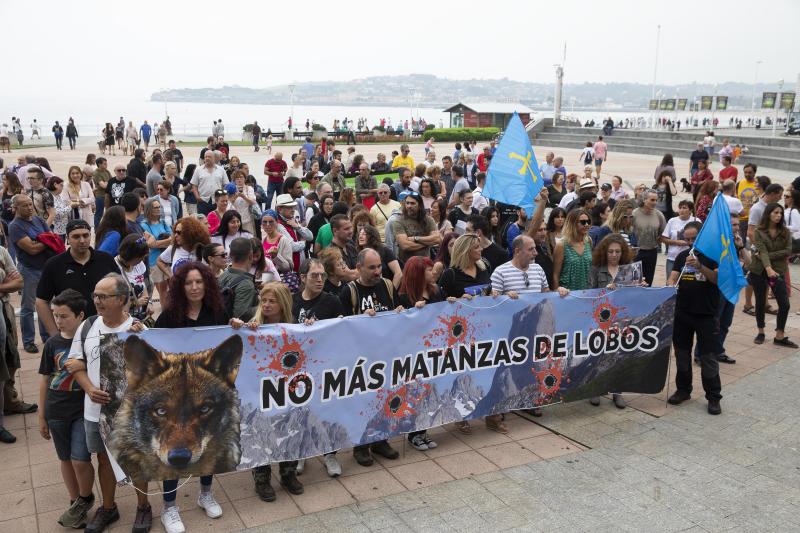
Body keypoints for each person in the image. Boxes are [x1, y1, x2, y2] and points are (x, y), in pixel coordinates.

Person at [65, 274, 151, 533]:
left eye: (104, 296)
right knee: (103, 459)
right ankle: (108, 508)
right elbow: (73, 363)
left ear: (122, 299)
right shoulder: (88, 325)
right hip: (95, 410)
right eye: (95, 295)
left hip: (131, 411)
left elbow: (153, 370)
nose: (97, 301)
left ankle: (143, 507)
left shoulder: (137, 329)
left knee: (136, 458)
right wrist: (89, 388)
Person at [148, 263, 229, 531]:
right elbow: (155, 345)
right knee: (175, 448)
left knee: (208, 446)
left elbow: (227, 343)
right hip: (175, 396)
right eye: (188, 283)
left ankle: (205, 493)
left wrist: (237, 326)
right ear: (180, 287)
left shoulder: (217, 312)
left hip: (206, 397)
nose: (194, 287)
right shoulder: (170, 315)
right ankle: (169, 507)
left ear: (207, 284)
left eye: (199, 282)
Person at [234, 282, 304, 501]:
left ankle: (288, 474)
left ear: (282, 304)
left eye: (271, 301)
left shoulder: (295, 325)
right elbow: (233, 334)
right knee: (260, 432)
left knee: (288, 428)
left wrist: (311, 326)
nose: (266, 305)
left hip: (286, 388)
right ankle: (262, 479)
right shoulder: (251, 320)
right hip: (258, 389)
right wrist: (239, 325)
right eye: (263, 300)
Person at [37, 289, 95, 528]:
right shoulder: (52, 343)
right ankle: (76, 503)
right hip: (56, 411)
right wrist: (42, 415)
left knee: (80, 459)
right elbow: (44, 379)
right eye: (55, 315)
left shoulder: (90, 341)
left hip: (82, 410)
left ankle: (85, 498)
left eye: (63, 316)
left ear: (80, 315)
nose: (58, 321)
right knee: (65, 459)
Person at [338, 249, 403, 463]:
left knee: (384, 397)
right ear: (359, 268)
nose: (378, 271)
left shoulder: (387, 285)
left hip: (384, 354)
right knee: (362, 402)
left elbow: (394, 313)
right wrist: (360, 319)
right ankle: (360, 446)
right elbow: (341, 326)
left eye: (379, 266)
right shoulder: (349, 292)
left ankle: (380, 441)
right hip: (360, 358)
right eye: (372, 267)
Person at [666, 222, 723, 415]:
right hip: (682, 313)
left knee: (708, 357)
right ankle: (683, 390)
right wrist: (671, 284)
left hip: (706, 314)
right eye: (687, 239)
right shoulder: (682, 256)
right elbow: (672, 277)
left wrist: (700, 266)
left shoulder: (714, 256)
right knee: (682, 353)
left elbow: (716, 280)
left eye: (694, 238)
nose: (690, 242)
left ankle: (713, 396)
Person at [395, 256, 452, 445]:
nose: (433, 272)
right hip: (415, 354)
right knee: (416, 393)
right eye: (428, 270)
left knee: (430, 392)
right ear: (418, 274)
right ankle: (414, 434)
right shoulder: (404, 297)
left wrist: (452, 302)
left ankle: (423, 431)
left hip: (435, 350)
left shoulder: (436, 291)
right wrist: (412, 310)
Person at [36, 218, 116, 334]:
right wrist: (55, 335)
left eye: (85, 235)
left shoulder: (105, 260)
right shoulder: (54, 265)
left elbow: (122, 292)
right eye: (76, 237)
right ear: (67, 238)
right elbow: (41, 302)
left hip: (106, 330)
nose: (82, 240)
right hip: (71, 333)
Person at [9, 194, 56, 353]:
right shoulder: (15, 226)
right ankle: (28, 340)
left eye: (30, 204)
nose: (29, 208)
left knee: (45, 303)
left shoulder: (38, 220)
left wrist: (42, 240)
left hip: (45, 268)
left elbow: (52, 239)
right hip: (29, 270)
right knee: (28, 307)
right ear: (16, 208)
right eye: (25, 205)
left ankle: (46, 336)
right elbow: (32, 249)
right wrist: (46, 241)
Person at [750, 203, 796, 348]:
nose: (778, 216)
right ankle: (761, 331)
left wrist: (765, 256)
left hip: (778, 271)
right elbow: (761, 250)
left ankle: (779, 335)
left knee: (784, 303)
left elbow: (788, 251)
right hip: (760, 271)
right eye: (775, 212)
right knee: (760, 301)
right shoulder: (759, 231)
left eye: (780, 213)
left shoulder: (785, 232)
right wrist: (768, 267)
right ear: (768, 213)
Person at [218, 237, 259, 320]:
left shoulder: (223, 275)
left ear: (230, 255)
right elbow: (240, 317)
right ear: (251, 256)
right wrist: (261, 306)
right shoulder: (246, 284)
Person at [394, 191, 441, 263]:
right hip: (407, 264)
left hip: (425, 263)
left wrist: (415, 238)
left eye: (413, 203)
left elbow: (437, 239)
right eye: (407, 203)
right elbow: (405, 246)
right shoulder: (398, 221)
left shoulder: (428, 220)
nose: (409, 206)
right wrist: (428, 243)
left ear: (419, 205)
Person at [632, 190, 666, 286]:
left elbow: (663, 233)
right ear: (644, 200)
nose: (654, 202)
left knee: (648, 281)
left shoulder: (659, 215)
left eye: (656, 200)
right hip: (636, 252)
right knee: (634, 281)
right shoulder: (634, 214)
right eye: (652, 200)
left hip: (652, 252)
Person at [553, 209, 593, 291]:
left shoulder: (589, 241)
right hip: (567, 294)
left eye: (588, 221)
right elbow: (555, 275)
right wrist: (556, 293)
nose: (586, 224)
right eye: (582, 222)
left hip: (587, 292)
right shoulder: (561, 245)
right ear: (573, 224)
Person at [661, 200, 698, 276]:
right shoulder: (672, 221)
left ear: (690, 210)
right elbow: (663, 238)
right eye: (680, 208)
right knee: (671, 282)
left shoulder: (696, 221)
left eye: (684, 208)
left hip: (690, 259)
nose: (681, 210)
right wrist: (677, 242)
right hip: (673, 258)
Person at [191, 151, 227, 215]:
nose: (207, 158)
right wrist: (197, 197)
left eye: (209, 157)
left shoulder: (221, 170)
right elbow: (194, 185)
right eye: (205, 157)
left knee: (218, 221)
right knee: (202, 222)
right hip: (203, 201)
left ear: (214, 158)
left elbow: (225, 184)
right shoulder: (198, 170)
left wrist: (222, 197)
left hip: (217, 201)